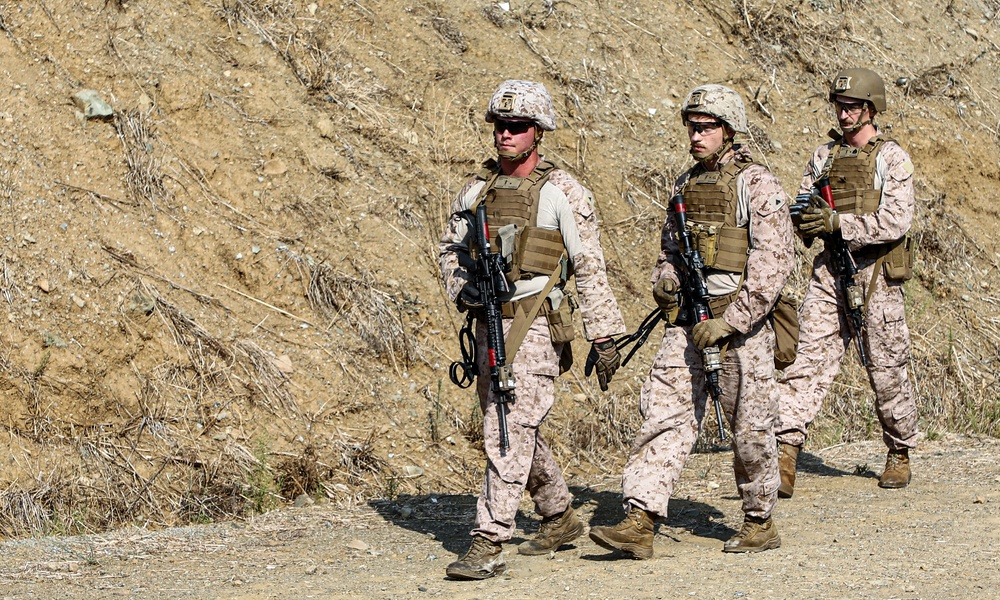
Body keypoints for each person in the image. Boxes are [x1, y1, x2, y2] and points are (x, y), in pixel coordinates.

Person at [588, 84, 794, 557]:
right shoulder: (684, 185)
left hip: (742, 328)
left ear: (728, 130)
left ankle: (759, 520)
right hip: (688, 321)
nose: (696, 135)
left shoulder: (756, 183)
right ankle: (639, 520)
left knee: (751, 427)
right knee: (663, 414)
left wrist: (733, 321)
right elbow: (670, 251)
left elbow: (773, 262)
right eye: (692, 127)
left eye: (706, 128)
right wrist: (665, 282)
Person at [438, 79, 626, 579]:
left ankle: (489, 537)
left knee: (509, 425)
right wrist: (463, 290)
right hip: (486, 322)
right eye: (500, 126)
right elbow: (450, 250)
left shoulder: (562, 190)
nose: (505, 135)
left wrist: (604, 335)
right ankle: (558, 514)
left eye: (517, 127)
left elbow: (589, 266)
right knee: (513, 423)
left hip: (536, 324)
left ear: (537, 133)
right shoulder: (476, 190)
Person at [775, 68, 918, 497]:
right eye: (839, 105)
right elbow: (803, 206)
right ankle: (784, 451)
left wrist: (840, 222)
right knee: (804, 361)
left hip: (877, 274)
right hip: (830, 271)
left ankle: (899, 450)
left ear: (871, 108)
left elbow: (897, 220)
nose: (844, 112)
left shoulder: (892, 158)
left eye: (852, 106)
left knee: (887, 367)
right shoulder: (824, 157)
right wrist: (802, 219)